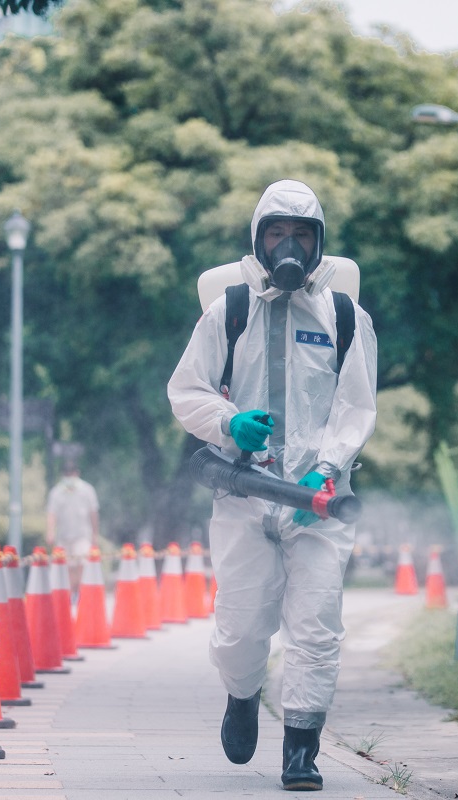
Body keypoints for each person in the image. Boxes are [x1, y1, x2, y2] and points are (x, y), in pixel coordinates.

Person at [167, 179, 377, 791]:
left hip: (319, 500)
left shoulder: (343, 315)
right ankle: (241, 692)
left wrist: (327, 467)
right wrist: (229, 421)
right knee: (239, 630)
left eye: (302, 235)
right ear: (259, 241)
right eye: (278, 234)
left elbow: (356, 407)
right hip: (241, 494)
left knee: (316, 627)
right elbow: (186, 390)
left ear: (319, 245)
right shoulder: (228, 309)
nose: (290, 245)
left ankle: (302, 748)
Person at [44, 461, 99, 595]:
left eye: (71, 473)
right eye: (67, 474)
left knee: (82, 565)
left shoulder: (87, 490)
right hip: (64, 536)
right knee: (67, 566)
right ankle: (71, 594)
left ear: (77, 473)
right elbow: (52, 513)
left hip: (82, 535)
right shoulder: (57, 492)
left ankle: (81, 593)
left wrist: (95, 534)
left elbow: (93, 513)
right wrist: (50, 532)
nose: (69, 477)